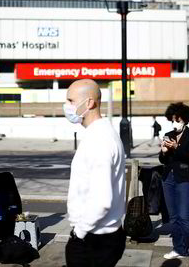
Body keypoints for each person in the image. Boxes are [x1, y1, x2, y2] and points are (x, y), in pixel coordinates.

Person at [64, 79, 127, 267]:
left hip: (93, 241)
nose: (66, 106)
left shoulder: (99, 141)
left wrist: (79, 233)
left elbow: (102, 200)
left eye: (70, 100)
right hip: (101, 236)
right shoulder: (101, 134)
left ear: (90, 103)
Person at [159, 102, 189, 267]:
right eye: (172, 120)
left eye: (177, 120)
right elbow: (163, 160)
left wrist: (176, 147)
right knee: (174, 217)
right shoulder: (168, 134)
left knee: (184, 218)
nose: (174, 123)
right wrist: (163, 152)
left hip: (184, 179)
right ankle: (178, 248)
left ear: (184, 119)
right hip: (167, 179)